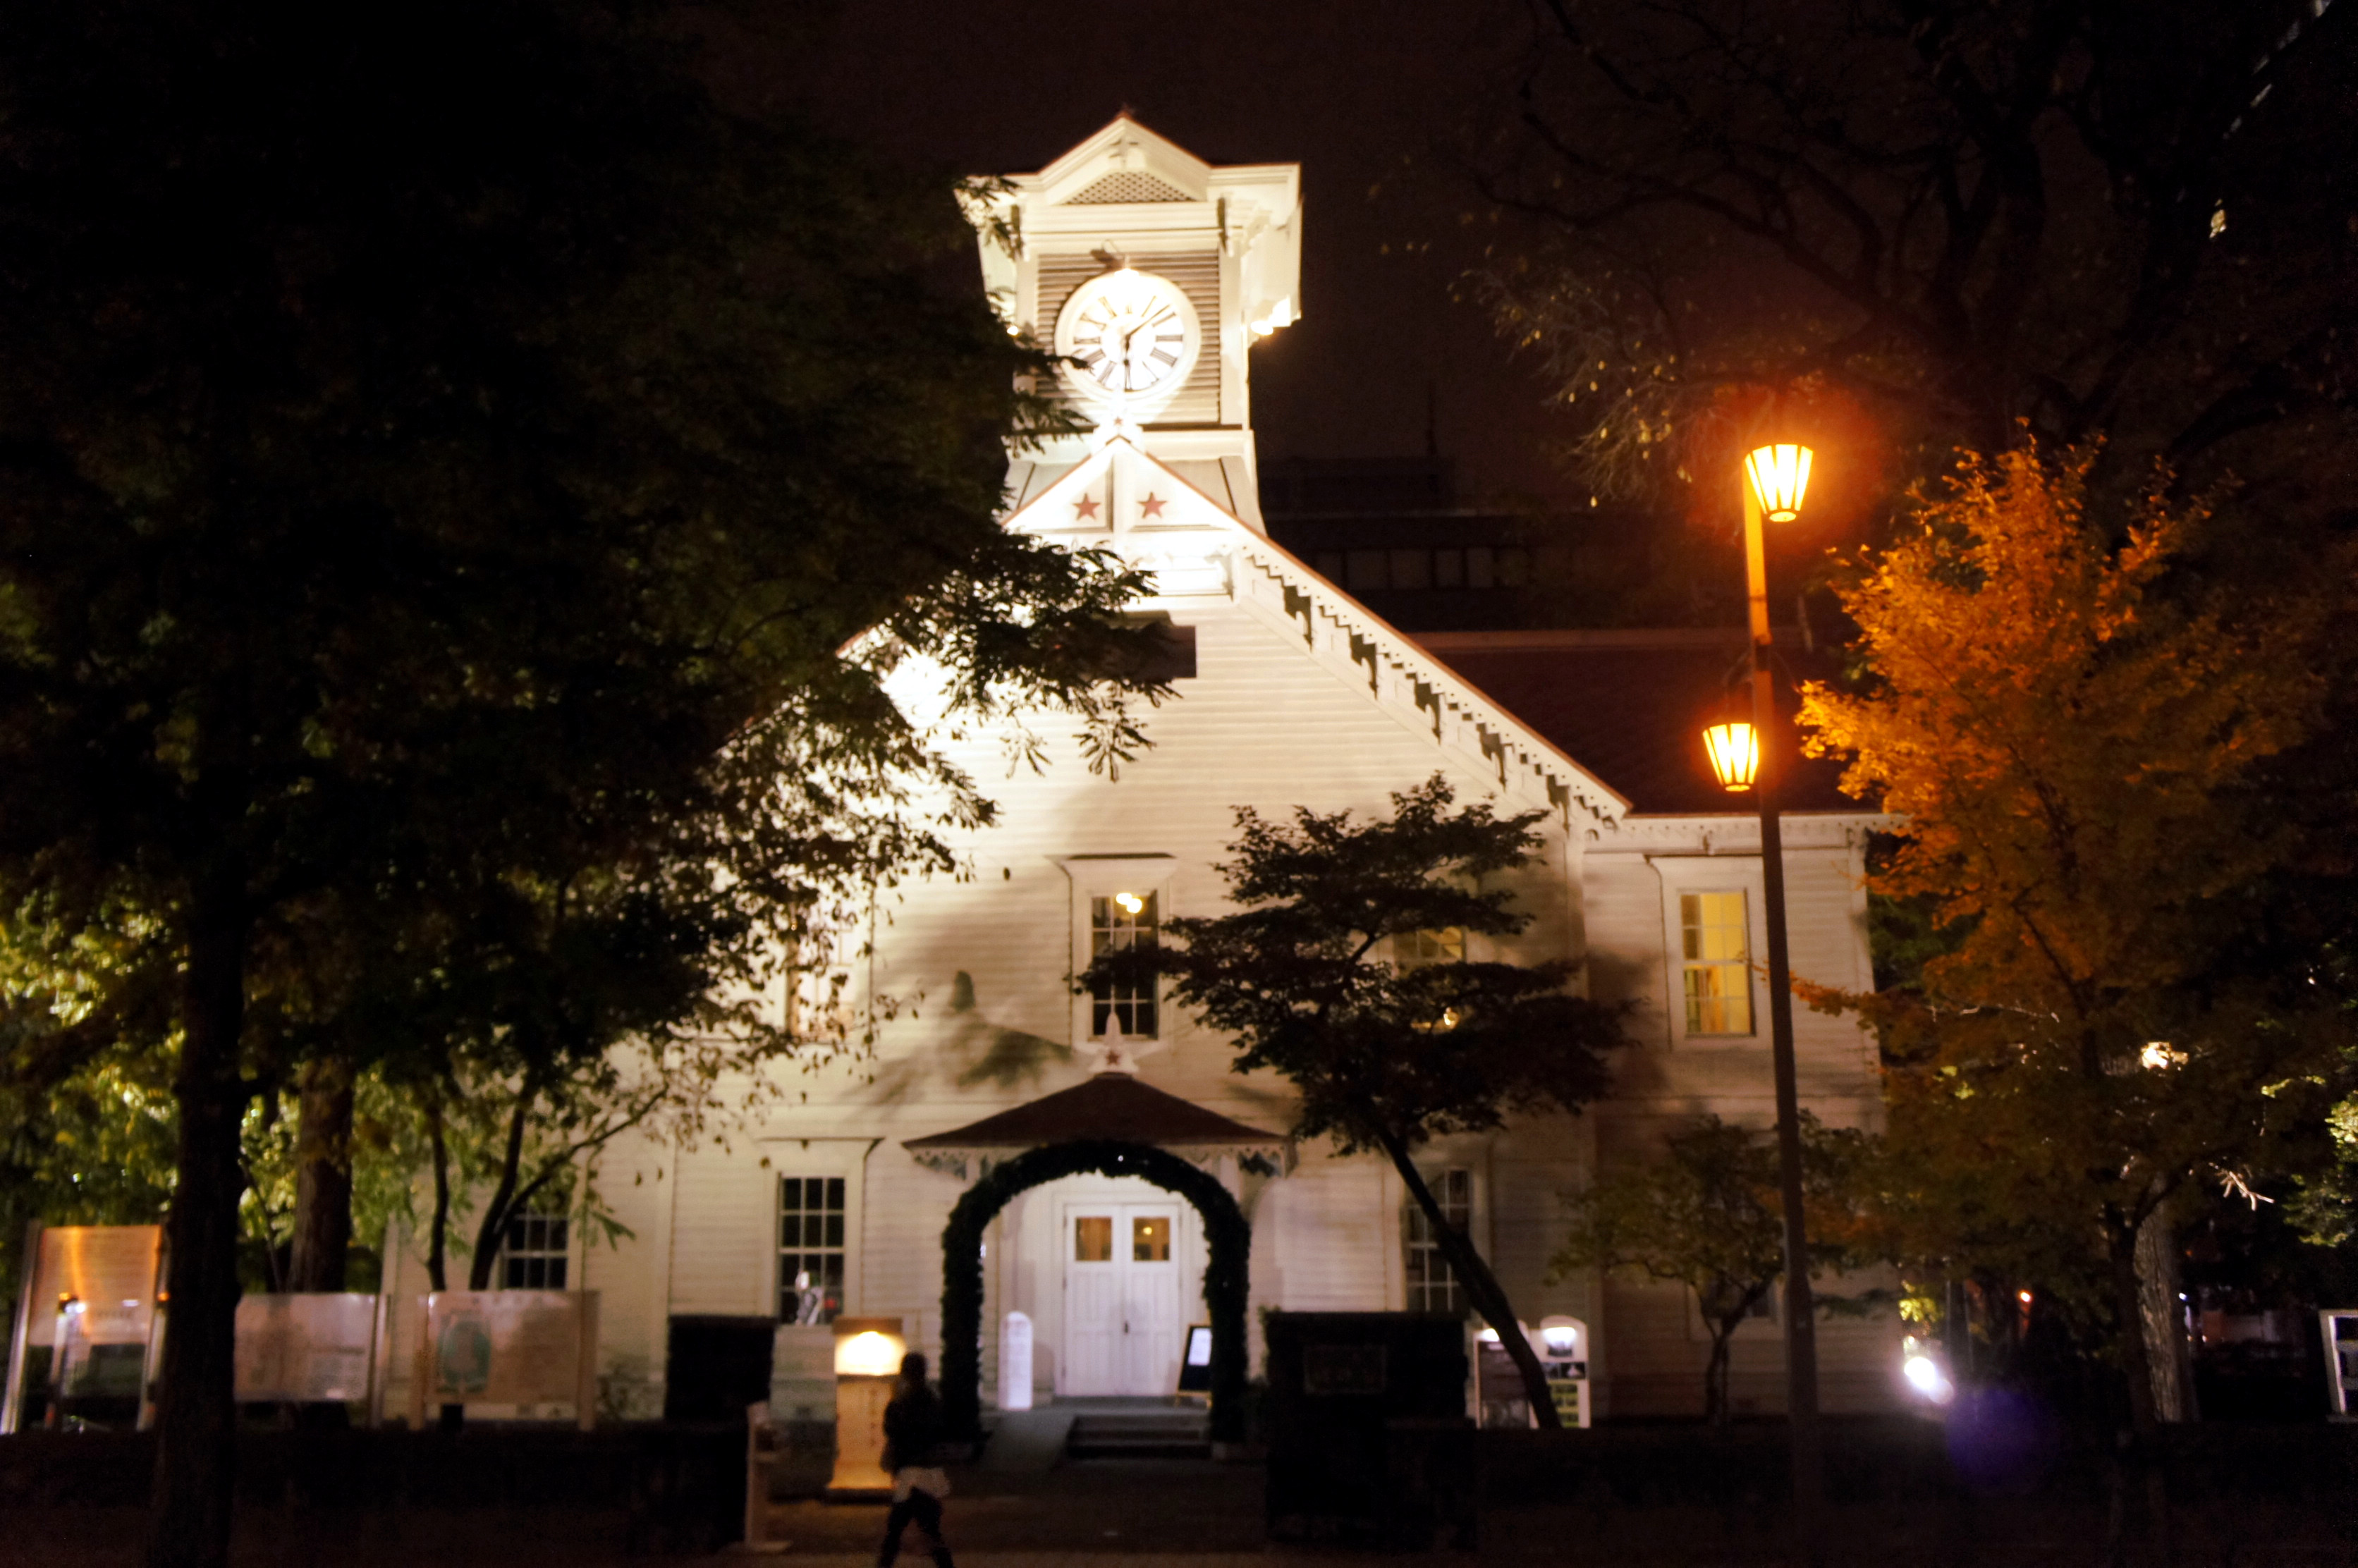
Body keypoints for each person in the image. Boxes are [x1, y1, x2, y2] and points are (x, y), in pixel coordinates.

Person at [876, 1352, 954, 1568]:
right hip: (927, 1472)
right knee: (926, 1528)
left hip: (910, 1473)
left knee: (898, 1527)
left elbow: (892, 1428)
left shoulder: (903, 1404)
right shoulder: (931, 1401)